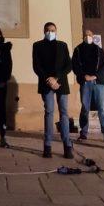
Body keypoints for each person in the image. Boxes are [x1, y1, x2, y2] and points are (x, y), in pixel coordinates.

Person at [32, 21, 74, 159]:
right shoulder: (37, 45)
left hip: (61, 83)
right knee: (49, 112)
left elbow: (69, 65)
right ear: (44, 31)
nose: (50, 32)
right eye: (48, 30)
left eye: (53, 30)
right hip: (46, 84)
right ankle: (47, 146)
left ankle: (67, 146)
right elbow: (36, 66)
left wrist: (56, 78)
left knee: (64, 113)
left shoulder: (63, 45)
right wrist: (48, 79)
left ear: (56, 31)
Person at [72, 28, 104, 144]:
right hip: (85, 82)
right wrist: (83, 76)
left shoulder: (99, 50)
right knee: (85, 108)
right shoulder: (78, 50)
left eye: (90, 35)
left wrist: (95, 76)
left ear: (93, 36)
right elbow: (75, 65)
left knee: (102, 109)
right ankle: (83, 133)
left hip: (98, 82)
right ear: (82, 37)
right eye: (86, 35)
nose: (88, 37)